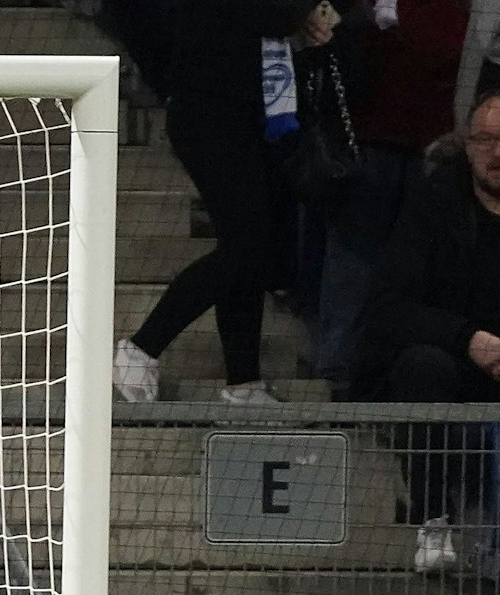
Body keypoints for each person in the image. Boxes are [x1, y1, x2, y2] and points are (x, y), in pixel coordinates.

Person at [112, 0, 338, 405]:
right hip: (207, 110)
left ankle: (243, 381)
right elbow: (272, 14)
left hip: (259, 112)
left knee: (251, 248)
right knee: (248, 244)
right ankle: (141, 348)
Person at [362, 89, 500, 572]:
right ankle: (433, 520)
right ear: (467, 147)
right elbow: (386, 307)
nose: (497, 153)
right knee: (421, 366)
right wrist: (469, 340)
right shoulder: (434, 204)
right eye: (483, 140)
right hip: (457, 367)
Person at [316, 0, 469, 396]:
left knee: (417, 266)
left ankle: (384, 370)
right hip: (367, 141)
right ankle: (340, 370)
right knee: (354, 257)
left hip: (432, 146)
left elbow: (447, 46)